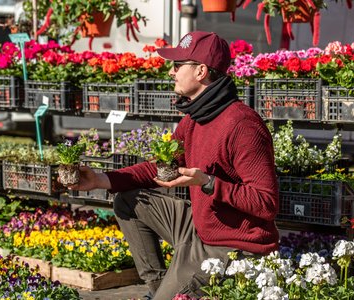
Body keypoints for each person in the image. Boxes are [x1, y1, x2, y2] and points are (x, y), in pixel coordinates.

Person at [68, 31, 279, 299]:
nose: (172, 72)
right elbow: (157, 168)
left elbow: (267, 203)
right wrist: (100, 179)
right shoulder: (194, 119)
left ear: (201, 71)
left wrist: (208, 182)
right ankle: (162, 289)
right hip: (202, 227)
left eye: (178, 65)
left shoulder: (243, 125)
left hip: (232, 245)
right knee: (128, 200)